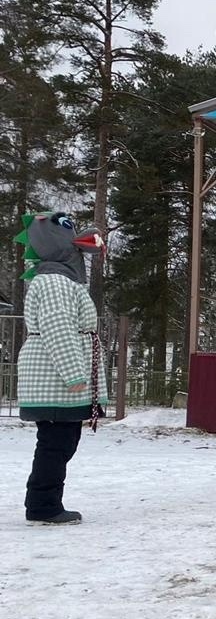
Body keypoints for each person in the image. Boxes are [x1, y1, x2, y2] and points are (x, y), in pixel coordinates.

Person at [15, 211, 107, 525]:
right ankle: (43, 505)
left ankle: (44, 501)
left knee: (61, 440)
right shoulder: (55, 283)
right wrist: (74, 375)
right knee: (57, 442)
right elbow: (58, 328)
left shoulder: (59, 281)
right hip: (55, 378)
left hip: (55, 378)